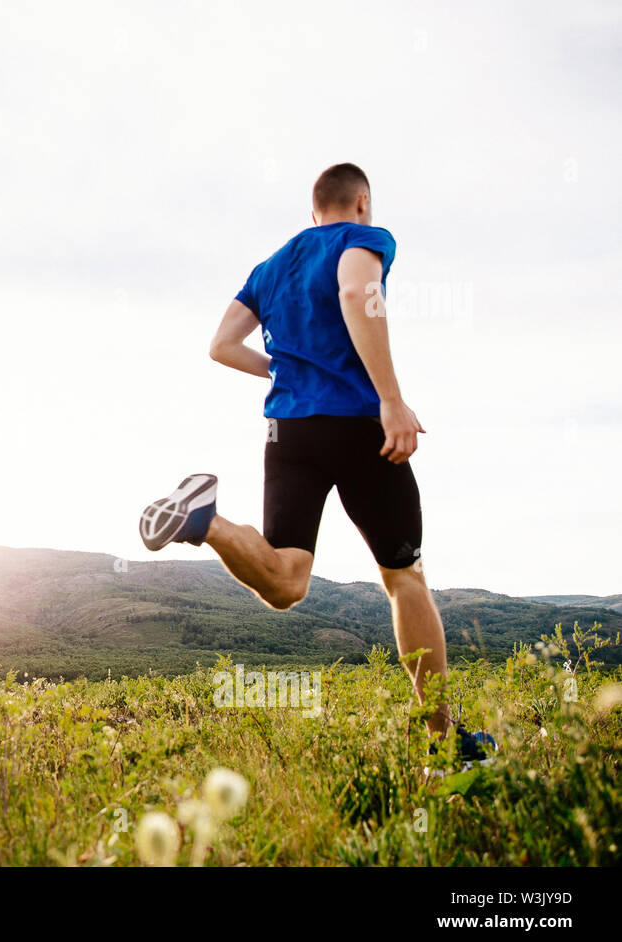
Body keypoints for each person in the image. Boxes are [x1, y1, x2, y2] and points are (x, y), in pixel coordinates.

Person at [139, 162, 492, 761]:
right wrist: (391, 400)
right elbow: (357, 292)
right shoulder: (363, 239)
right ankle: (444, 743)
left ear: (312, 212)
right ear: (360, 203)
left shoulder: (271, 266)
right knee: (403, 576)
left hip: (291, 432)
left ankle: (206, 521)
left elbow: (221, 345)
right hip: (359, 427)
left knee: (285, 581)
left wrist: (282, 370)